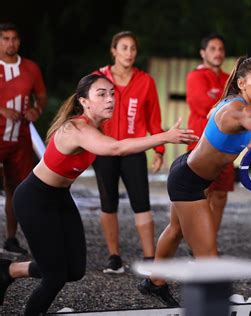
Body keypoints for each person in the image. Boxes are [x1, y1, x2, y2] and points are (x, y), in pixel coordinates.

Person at [0, 73, 198, 315]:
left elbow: (117, 145)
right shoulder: (76, 127)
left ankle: (8, 271)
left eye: (112, 94)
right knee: (55, 277)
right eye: (101, 94)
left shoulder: (96, 128)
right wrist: (165, 137)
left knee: (74, 270)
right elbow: (115, 148)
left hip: (60, 198)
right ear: (84, 101)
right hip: (34, 199)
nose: (110, 99)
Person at [137, 56, 251, 306]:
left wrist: (250, 142)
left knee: (175, 231)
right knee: (208, 257)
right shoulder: (238, 109)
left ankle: (154, 283)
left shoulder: (239, 104)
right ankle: (207, 306)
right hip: (189, 182)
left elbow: (231, 135)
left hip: (187, 172)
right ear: (241, 83)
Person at [93, 31, 166, 273]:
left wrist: (159, 149)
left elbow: (153, 118)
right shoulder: (97, 78)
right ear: (113, 50)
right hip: (103, 148)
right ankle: (114, 257)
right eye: (124, 48)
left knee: (141, 202)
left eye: (133, 48)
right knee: (108, 202)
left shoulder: (145, 81)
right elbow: (85, 112)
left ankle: (149, 258)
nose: (129, 53)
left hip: (134, 149)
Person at [0, 23, 47, 256]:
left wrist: (36, 111)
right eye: (5, 38)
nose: (11, 43)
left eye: (14, 38)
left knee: (16, 188)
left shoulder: (30, 68)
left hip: (20, 137)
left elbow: (41, 95)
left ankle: (11, 238)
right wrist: (1, 110)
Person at [186, 34, 231, 235]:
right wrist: (230, 108)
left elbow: (242, 106)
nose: (218, 53)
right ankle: (198, 243)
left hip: (227, 144)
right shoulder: (195, 77)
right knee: (200, 195)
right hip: (201, 144)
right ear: (203, 53)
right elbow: (204, 107)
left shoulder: (230, 79)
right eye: (212, 49)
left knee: (220, 195)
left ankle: (210, 244)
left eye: (221, 49)